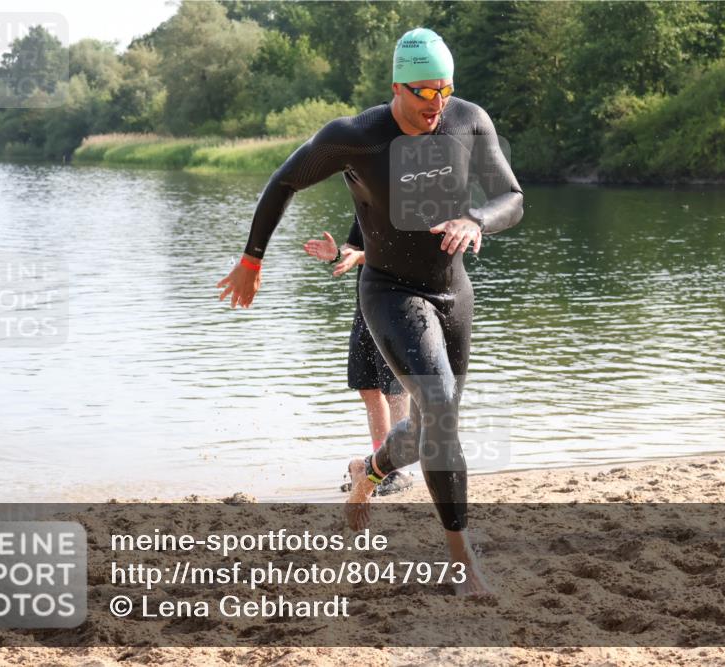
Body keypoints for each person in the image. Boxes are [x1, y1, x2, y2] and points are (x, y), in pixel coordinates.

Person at [216, 27, 524, 596]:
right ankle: (462, 561)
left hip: (453, 292)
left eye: (445, 89)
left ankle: (371, 471)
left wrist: (475, 220)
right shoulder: (354, 137)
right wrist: (251, 260)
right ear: (396, 87)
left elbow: (513, 197)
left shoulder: (468, 119)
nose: (437, 104)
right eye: (424, 91)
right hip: (389, 290)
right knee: (436, 406)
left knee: (434, 425)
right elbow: (283, 181)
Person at [302, 217, 412, 496]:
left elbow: (407, 252)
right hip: (365, 304)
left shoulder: (408, 200)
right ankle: (381, 465)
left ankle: (400, 468)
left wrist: (361, 256)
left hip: (398, 304)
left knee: (396, 388)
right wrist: (338, 254)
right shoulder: (364, 198)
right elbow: (351, 247)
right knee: (368, 388)